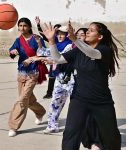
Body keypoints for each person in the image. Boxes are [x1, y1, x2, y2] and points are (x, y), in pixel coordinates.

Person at [42, 22, 122, 150]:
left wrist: (74, 38)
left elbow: (92, 53)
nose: (88, 32)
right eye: (88, 30)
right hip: (79, 99)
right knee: (70, 134)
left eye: (91, 30)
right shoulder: (78, 51)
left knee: (110, 136)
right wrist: (51, 41)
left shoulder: (104, 50)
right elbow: (58, 59)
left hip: (101, 101)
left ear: (100, 37)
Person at [8, 17, 47, 137]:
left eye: (24, 26)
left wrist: (40, 44)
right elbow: (12, 51)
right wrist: (12, 52)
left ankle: (13, 126)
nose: (22, 28)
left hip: (33, 72)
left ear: (29, 27)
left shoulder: (36, 38)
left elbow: (43, 53)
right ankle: (40, 112)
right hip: (21, 72)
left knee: (23, 99)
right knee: (28, 99)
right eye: (20, 26)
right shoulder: (18, 40)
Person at [35, 16, 61, 99]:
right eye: (55, 30)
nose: (56, 32)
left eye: (58, 30)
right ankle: (49, 93)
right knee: (52, 77)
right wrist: (38, 24)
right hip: (53, 61)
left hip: (63, 61)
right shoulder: (52, 38)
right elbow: (42, 34)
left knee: (62, 78)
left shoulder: (65, 40)